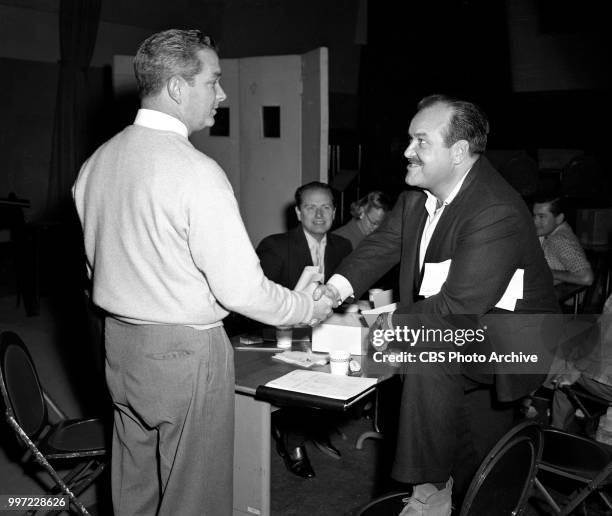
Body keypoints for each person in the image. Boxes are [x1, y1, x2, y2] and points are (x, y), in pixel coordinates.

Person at [72, 29, 332, 516]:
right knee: (196, 497)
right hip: (186, 352)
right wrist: (305, 307)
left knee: (135, 488)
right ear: (176, 87)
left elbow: (96, 266)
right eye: (212, 81)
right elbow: (241, 290)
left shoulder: (97, 163)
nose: (223, 92)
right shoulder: (196, 171)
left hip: (120, 346)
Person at [314, 94, 559, 514]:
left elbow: (455, 308)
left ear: (459, 152)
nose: (407, 151)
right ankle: (458, 489)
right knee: (476, 450)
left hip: (511, 337)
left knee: (429, 350)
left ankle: (428, 494)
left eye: (421, 142)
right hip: (462, 332)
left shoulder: (494, 209)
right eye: (409, 140)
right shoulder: (415, 199)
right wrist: (331, 293)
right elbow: (379, 249)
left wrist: (364, 328)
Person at [255, 181, 352, 478]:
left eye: (326, 207)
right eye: (311, 207)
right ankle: (292, 441)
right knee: (306, 374)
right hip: (284, 334)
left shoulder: (343, 247)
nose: (319, 214)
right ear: (298, 212)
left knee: (350, 365)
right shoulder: (275, 246)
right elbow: (261, 301)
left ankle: (313, 427)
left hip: (327, 331)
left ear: (335, 212)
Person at [551, 293, 612, 430]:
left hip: (605, 385)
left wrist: (573, 371)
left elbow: (602, 340)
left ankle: (557, 433)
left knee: (563, 379)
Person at [533, 195, 594, 286]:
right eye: (534, 215)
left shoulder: (559, 240)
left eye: (541, 217)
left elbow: (586, 278)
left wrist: (548, 272)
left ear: (559, 218)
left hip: (561, 297)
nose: (535, 221)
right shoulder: (551, 232)